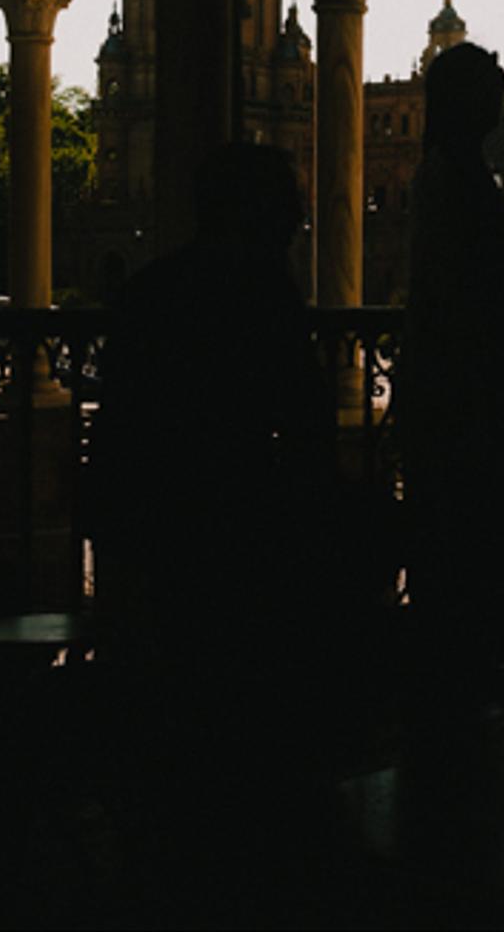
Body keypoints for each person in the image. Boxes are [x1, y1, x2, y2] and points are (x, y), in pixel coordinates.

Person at [90, 142, 344, 922]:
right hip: (235, 537)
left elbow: (118, 437)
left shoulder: (148, 292)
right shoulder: (262, 292)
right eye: (291, 208)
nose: (304, 220)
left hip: (156, 535)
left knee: (174, 728)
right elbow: (302, 424)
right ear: (261, 216)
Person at [396, 41, 504, 681]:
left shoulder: (451, 169)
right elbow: (459, 280)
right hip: (459, 387)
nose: (502, 98)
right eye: (491, 87)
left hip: (460, 380)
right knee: (463, 527)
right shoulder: (451, 175)